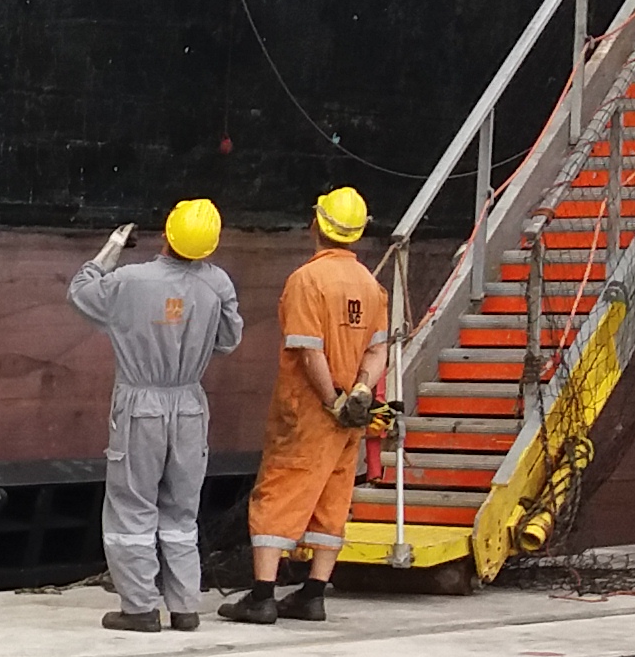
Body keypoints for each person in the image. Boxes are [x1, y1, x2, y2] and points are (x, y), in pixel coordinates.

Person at [69, 199, 245, 633]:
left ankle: (140, 607)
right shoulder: (218, 284)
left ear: (167, 233)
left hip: (140, 404)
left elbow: (80, 292)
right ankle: (185, 606)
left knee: (131, 506)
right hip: (188, 404)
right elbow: (227, 341)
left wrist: (111, 248)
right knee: (182, 509)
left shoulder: (130, 280)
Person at [228, 187, 393, 625]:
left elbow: (309, 351)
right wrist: (361, 392)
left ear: (316, 224)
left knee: (279, 490)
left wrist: (333, 399)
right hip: (351, 419)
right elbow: (378, 352)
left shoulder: (307, 280)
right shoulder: (372, 287)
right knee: (333, 496)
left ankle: (262, 595)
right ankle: (313, 593)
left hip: (308, 411)